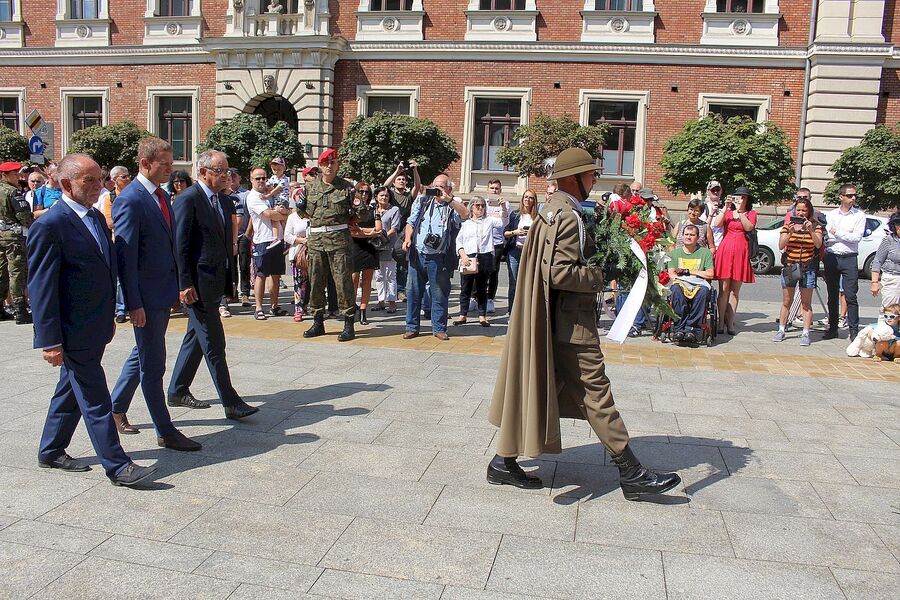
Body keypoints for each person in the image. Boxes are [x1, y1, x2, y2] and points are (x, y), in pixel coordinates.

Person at [488, 147, 680, 500]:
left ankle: (503, 460)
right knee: (596, 392)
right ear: (573, 178)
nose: (595, 178)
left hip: (559, 323)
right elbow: (561, 272)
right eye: (590, 173)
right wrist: (602, 273)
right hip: (573, 326)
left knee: (545, 385)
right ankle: (631, 472)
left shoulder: (556, 210)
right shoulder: (567, 215)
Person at [27, 153, 156, 487]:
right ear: (67, 183)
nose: (101, 185)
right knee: (96, 397)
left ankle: (51, 449)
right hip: (70, 329)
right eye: (91, 180)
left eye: (101, 178)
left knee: (69, 389)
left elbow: (104, 271)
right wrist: (49, 340)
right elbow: (41, 288)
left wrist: (112, 313)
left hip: (95, 324)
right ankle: (118, 466)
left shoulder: (97, 219)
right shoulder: (49, 225)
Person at [106, 138, 202, 450]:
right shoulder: (130, 199)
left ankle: (116, 406)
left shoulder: (161, 196)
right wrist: (133, 303)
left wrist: (177, 285)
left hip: (161, 294)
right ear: (146, 164)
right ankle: (165, 430)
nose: (171, 170)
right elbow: (126, 258)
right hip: (144, 299)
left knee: (144, 353)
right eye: (165, 165)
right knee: (153, 364)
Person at [167, 150, 259, 420]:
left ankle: (177, 389)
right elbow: (180, 246)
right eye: (219, 171)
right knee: (214, 342)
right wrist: (183, 283)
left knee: (196, 338)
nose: (226, 176)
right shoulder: (188, 200)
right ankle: (230, 401)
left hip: (215, 281)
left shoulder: (224, 201)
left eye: (227, 171)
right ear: (203, 172)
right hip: (196, 285)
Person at [298, 148, 369, 342]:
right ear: (320, 166)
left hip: (339, 242)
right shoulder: (310, 187)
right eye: (325, 163)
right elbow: (300, 209)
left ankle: (348, 324)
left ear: (337, 165)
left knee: (343, 283)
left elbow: (362, 212)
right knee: (316, 281)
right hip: (316, 242)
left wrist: (350, 220)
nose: (329, 166)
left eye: (333, 163)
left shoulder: (347, 188)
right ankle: (318, 322)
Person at [402, 174, 469, 341]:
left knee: (439, 293)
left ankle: (439, 328)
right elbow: (411, 221)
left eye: (441, 187)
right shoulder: (423, 200)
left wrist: (449, 199)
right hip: (417, 254)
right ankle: (412, 327)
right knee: (413, 292)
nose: (437, 190)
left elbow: (466, 214)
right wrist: (407, 238)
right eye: (435, 186)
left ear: (449, 189)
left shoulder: (452, 204)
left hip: (439, 257)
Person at [773, 196, 824, 347]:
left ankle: (806, 332)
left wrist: (810, 230)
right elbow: (781, 245)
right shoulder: (788, 225)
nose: (801, 213)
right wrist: (789, 232)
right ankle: (781, 329)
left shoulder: (816, 226)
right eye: (798, 210)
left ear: (809, 212)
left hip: (807, 267)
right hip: (790, 266)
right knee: (787, 301)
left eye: (804, 210)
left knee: (806, 303)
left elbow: (818, 244)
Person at [454, 195, 507, 327]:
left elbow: (503, 223)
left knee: (482, 287)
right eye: (477, 205)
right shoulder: (466, 223)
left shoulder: (489, 220)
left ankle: (482, 316)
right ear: (471, 207)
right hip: (469, 257)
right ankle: (462, 315)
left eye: (483, 205)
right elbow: (459, 241)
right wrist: (463, 255)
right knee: (466, 287)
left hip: (485, 256)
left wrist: (503, 207)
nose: (480, 208)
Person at [823, 184, 867, 341]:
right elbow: (828, 237)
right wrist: (844, 234)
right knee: (832, 294)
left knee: (850, 295)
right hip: (832, 256)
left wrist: (838, 232)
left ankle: (854, 330)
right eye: (849, 195)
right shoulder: (831, 215)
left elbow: (856, 238)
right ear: (841, 197)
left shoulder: (859, 216)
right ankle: (833, 328)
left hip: (849, 257)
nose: (853, 198)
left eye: (854, 195)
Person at [712, 186, 757, 336]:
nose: (741, 199)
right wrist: (726, 207)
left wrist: (740, 212)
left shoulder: (751, 213)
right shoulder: (728, 212)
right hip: (726, 250)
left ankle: (730, 322)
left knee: (734, 290)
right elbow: (717, 224)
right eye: (739, 197)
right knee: (723, 289)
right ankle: (720, 322)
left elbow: (749, 227)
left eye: (744, 197)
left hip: (741, 252)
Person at [247, 166, 290, 320]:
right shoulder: (253, 197)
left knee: (276, 274)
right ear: (251, 180)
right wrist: (283, 215)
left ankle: (274, 306)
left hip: (277, 239)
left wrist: (283, 213)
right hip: (262, 241)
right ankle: (258, 308)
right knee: (261, 274)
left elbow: (285, 209)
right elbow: (269, 214)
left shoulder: (270, 194)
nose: (261, 181)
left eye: (263, 178)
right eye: (257, 178)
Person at [666, 224, 715, 345]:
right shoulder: (675, 254)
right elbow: (672, 274)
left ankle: (692, 329)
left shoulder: (705, 253)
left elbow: (710, 274)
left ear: (697, 237)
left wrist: (688, 271)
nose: (688, 237)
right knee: (676, 289)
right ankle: (679, 328)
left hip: (699, 284)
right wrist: (686, 277)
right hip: (681, 283)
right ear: (682, 236)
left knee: (703, 292)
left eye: (692, 235)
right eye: (686, 234)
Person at [0, 161, 34, 324]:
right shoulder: (13, 193)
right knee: (17, 272)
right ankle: (20, 310)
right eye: (14, 174)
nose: (17, 177)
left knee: (1, 271)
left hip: (1, 235)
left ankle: (1, 308)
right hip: (14, 237)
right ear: (4, 175)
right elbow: (24, 216)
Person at [384, 160, 422, 299]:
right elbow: (384, 186)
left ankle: (403, 289)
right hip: (392, 229)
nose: (401, 181)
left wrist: (415, 170)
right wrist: (397, 171)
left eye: (403, 180)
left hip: (405, 231)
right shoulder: (391, 195)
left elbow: (417, 186)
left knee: (404, 260)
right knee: (393, 260)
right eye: (399, 179)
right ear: (395, 182)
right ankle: (394, 289)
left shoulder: (408, 196)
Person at [349, 182, 383, 326]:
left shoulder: (373, 209)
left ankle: (363, 310)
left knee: (367, 280)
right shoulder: (352, 209)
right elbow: (352, 231)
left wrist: (362, 231)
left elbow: (379, 230)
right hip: (354, 247)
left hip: (369, 248)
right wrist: (369, 232)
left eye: (367, 192)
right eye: (361, 191)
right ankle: (352, 308)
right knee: (354, 279)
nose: (364, 194)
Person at [503, 189, 538, 310]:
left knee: (529, 283)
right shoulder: (515, 214)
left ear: (535, 200)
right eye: (526, 197)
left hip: (530, 252)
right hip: (515, 251)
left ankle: (526, 311)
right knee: (514, 282)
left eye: (531, 197)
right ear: (522, 199)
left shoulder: (537, 217)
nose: (528, 200)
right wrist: (515, 232)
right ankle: (512, 311)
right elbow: (505, 233)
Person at [373, 186, 402, 313]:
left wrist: (382, 237)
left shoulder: (394, 210)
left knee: (390, 275)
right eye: (381, 195)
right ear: (376, 197)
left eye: (386, 195)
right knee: (379, 275)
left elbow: (394, 228)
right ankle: (380, 301)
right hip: (375, 247)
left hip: (389, 246)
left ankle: (392, 303)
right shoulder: (373, 210)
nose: (384, 197)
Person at [485, 179, 510, 314]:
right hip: (482, 243)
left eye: (497, 188)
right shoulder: (482, 202)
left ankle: (490, 299)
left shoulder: (505, 204)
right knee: (478, 270)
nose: (494, 190)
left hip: (497, 242)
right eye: (492, 188)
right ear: (487, 189)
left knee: (493, 271)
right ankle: (475, 297)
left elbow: (504, 223)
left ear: (500, 190)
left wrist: (503, 209)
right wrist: (494, 218)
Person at [229, 168, 253, 308]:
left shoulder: (246, 194)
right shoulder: (224, 193)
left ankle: (245, 293)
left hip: (243, 234)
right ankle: (232, 293)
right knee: (231, 266)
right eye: (229, 176)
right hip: (229, 237)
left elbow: (251, 215)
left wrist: (248, 234)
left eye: (234, 176)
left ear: (239, 178)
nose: (232, 179)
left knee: (244, 265)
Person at [283, 205, 310, 322]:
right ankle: (298, 309)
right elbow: (287, 236)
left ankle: (307, 305)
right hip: (298, 253)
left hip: (313, 251)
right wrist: (302, 240)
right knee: (298, 282)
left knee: (311, 282)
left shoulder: (313, 215)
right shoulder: (292, 217)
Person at [871, 211, 900, 308]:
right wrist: (875, 282)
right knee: (890, 311)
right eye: (897, 223)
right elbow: (877, 261)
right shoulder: (888, 240)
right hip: (892, 279)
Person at [701, 180, 726, 249]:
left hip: (722, 247)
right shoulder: (703, 208)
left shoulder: (725, 208)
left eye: (717, 190)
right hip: (706, 246)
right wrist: (711, 213)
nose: (715, 192)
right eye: (713, 190)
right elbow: (703, 228)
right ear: (707, 192)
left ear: (721, 191)